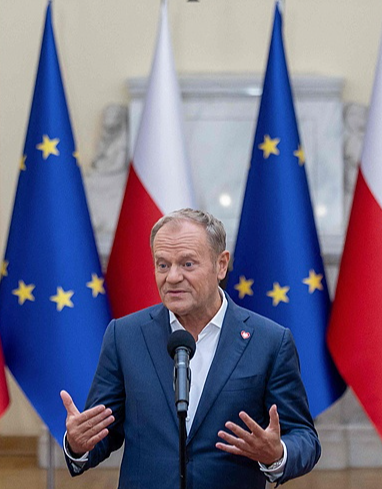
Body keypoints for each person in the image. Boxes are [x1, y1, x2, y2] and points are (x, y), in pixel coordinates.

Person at [60, 208, 321, 488]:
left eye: (187, 264)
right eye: (162, 264)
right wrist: (77, 445)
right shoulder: (124, 335)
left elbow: (304, 437)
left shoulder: (269, 340)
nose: (172, 277)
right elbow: (102, 431)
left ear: (221, 265)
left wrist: (277, 454)